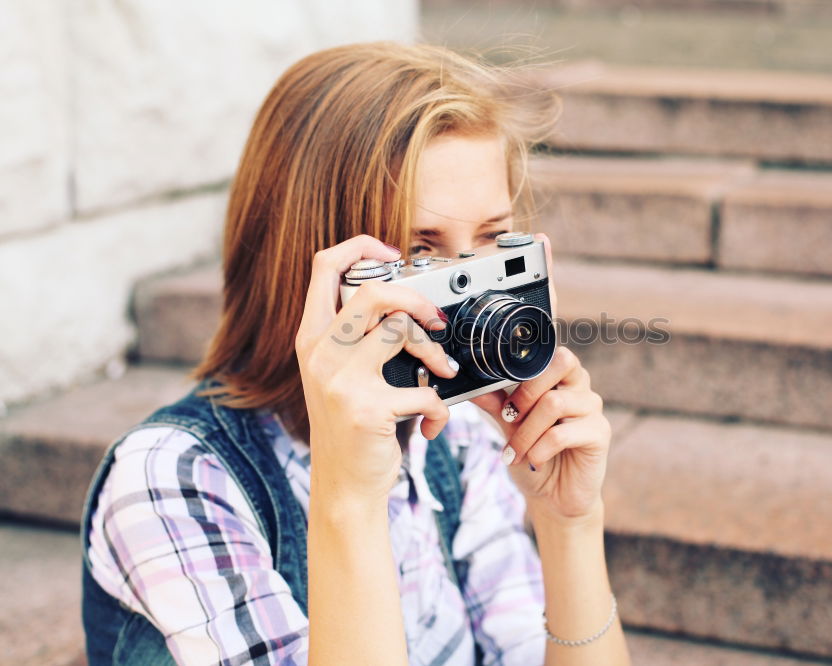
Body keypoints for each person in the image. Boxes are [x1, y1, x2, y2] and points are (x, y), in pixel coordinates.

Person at [80, 41, 630, 665]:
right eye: (419, 258)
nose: (472, 297)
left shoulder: (460, 439)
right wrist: (348, 495)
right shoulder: (175, 480)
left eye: (489, 245)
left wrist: (568, 525)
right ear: (308, 262)